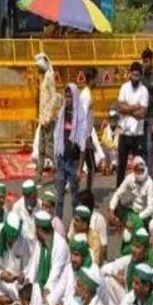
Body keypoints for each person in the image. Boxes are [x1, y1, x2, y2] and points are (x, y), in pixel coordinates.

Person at [53, 83, 89, 220]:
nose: (67, 99)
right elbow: (57, 137)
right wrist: (56, 160)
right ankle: (58, 224)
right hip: (62, 160)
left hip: (74, 163)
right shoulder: (62, 113)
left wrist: (80, 168)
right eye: (66, 96)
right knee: (59, 195)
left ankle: (75, 226)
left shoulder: (80, 116)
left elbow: (83, 146)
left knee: (75, 197)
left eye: (70, 96)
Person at [115, 61, 149, 184]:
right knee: (121, 167)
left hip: (137, 135)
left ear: (141, 76)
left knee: (138, 166)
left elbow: (142, 114)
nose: (135, 77)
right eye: (133, 75)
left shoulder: (144, 90)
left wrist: (127, 110)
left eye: (137, 75)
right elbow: (120, 108)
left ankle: (138, 196)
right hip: (124, 133)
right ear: (130, 74)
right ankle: (118, 197)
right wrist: (135, 106)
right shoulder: (124, 87)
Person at [27, 210, 70, 305]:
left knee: (48, 301)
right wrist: (28, 283)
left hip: (58, 289)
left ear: (40, 230)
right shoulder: (40, 242)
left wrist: (43, 293)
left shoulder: (60, 245)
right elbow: (34, 266)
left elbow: (55, 275)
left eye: (35, 229)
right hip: (41, 286)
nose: (34, 231)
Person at [0, 211, 31, 301]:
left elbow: (28, 265)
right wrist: (0, 274)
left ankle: (5, 299)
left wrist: (23, 275)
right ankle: (0, 298)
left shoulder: (24, 238)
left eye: (14, 239)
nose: (11, 241)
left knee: (25, 292)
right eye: (9, 238)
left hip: (15, 284)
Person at [34, 53, 61, 177]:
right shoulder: (44, 77)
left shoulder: (49, 77)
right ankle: (39, 175)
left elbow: (54, 97)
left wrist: (49, 116)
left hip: (48, 119)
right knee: (41, 148)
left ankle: (59, 172)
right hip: (43, 119)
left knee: (49, 148)